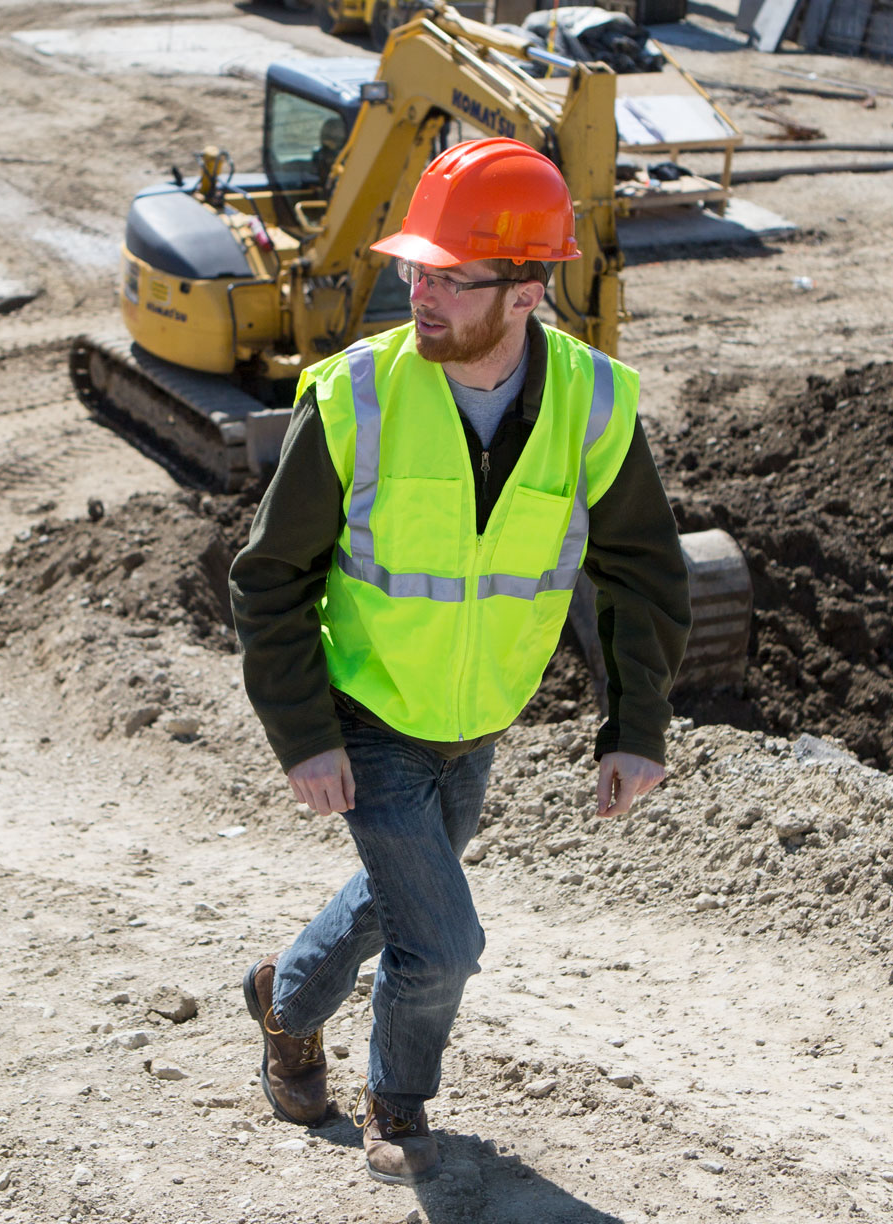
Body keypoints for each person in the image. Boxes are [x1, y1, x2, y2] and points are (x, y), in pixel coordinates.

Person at [229, 137, 691, 1186]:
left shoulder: (596, 402)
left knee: (396, 898)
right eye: (414, 269)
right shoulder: (356, 396)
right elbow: (268, 579)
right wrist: (304, 735)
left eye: (448, 276)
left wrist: (633, 729)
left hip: (480, 719)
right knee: (442, 942)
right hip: (371, 714)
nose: (419, 292)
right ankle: (398, 1105)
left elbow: (641, 576)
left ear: (527, 289)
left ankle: (281, 1002)